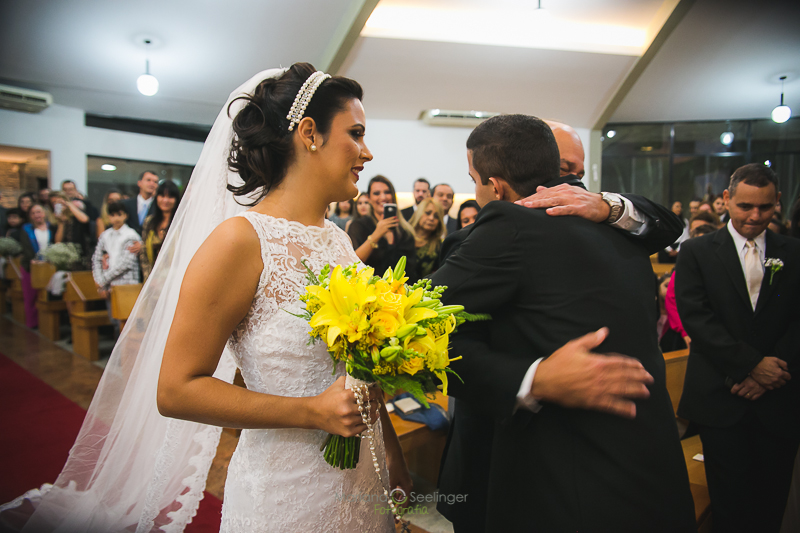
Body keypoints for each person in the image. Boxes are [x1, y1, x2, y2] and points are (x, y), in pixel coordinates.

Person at [0, 64, 409, 533]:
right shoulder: (238, 242)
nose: (367, 151)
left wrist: (391, 455)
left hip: (362, 479)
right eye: (356, 134)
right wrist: (310, 411)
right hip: (289, 495)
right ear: (310, 133)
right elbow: (176, 389)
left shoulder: (336, 241)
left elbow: (359, 367)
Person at [432, 115, 695, 532]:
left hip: (560, 477)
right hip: (641, 466)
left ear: (494, 185)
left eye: (575, 173)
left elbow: (423, 323)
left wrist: (531, 379)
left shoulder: (599, 220)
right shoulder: (621, 234)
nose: (569, 184)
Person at [675, 163, 800, 533]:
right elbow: (698, 320)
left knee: (770, 505)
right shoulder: (696, 251)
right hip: (720, 395)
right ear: (727, 199)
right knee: (728, 506)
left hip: (779, 397)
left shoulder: (793, 252)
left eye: (764, 207)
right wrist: (751, 366)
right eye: (745, 206)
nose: (755, 216)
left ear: (777, 202)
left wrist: (771, 372)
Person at [347, 174, 417, 276]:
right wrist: (377, 234)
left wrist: (390, 241)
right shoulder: (358, 226)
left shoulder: (405, 231)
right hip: (366, 288)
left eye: (387, 192)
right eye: (376, 193)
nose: (383, 197)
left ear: (393, 195)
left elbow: (410, 269)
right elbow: (352, 263)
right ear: (369, 198)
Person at [91, 201, 141, 309]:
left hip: (127, 284)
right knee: (113, 320)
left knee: (126, 321)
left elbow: (126, 264)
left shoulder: (131, 235)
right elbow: (97, 258)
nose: (116, 218)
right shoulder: (105, 235)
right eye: (112, 215)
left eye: (119, 214)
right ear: (108, 217)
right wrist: (101, 285)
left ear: (125, 215)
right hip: (109, 285)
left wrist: (102, 281)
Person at [19, 204, 55, 328]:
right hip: (31, 267)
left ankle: (46, 324)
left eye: (39, 212)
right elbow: (26, 247)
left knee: (46, 296)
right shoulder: (26, 229)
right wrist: (34, 260)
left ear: (44, 213)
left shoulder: (52, 227)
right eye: (33, 213)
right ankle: (32, 323)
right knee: (31, 296)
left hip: (49, 266)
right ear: (30, 216)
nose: (37, 215)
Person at [139, 181, 180, 281]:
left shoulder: (181, 223)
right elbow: (144, 254)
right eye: (162, 196)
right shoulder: (149, 222)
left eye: (170, 197)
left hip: (174, 279)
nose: (165, 200)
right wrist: (149, 279)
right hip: (152, 280)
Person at [407, 197, 444, 281]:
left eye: (436, 216)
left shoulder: (439, 246)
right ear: (418, 213)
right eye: (428, 213)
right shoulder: (403, 238)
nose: (431, 218)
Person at [52, 193, 92, 267]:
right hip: (64, 256)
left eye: (61, 203)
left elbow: (85, 219)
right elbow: (57, 242)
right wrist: (61, 222)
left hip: (81, 253)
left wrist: (69, 205)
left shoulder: (75, 216)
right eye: (56, 204)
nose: (60, 206)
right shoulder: (55, 222)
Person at [121, 171, 159, 235]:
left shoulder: (159, 207)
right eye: (148, 180)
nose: (152, 184)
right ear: (139, 183)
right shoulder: (125, 204)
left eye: (155, 182)